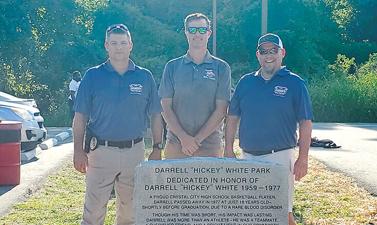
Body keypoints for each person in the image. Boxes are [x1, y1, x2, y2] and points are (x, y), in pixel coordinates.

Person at [73, 23, 163, 225]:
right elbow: (80, 118)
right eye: (114, 43)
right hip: (101, 152)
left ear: (131, 44)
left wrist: (157, 147)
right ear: (106, 45)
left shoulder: (144, 76)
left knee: (130, 211)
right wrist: (78, 150)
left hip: (135, 151)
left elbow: (156, 115)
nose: (119, 47)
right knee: (94, 211)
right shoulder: (92, 76)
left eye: (123, 42)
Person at [224, 33, 313, 225]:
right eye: (264, 51)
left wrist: (303, 158)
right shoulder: (246, 82)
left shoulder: (295, 83)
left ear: (282, 53)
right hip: (248, 157)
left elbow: (305, 122)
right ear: (258, 55)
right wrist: (228, 149)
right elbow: (232, 118)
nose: (268, 55)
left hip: (280, 156)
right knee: (252, 214)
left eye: (273, 50)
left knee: (283, 213)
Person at [158, 13, 231, 159]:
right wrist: (184, 138)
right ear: (186, 33)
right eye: (192, 30)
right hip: (176, 145)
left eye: (202, 30)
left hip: (210, 146)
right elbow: (165, 107)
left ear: (209, 33)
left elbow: (222, 109)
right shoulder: (172, 67)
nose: (197, 34)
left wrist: (196, 141)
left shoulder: (222, 68)